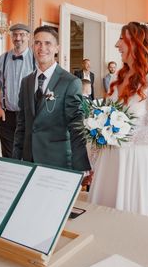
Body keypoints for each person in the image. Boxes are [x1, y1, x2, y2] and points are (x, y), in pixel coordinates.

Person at [89, 22, 148, 222]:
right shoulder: (121, 76)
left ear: (137, 43)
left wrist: (123, 134)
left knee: (136, 220)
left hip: (139, 162)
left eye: (122, 38)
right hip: (112, 161)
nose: (116, 44)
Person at [12, 26, 90, 171]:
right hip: (29, 160)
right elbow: (21, 125)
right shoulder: (26, 82)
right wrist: (15, 159)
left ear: (57, 48)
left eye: (48, 43)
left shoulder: (70, 82)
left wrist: (81, 167)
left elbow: (76, 127)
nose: (42, 48)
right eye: (37, 43)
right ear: (33, 46)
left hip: (57, 160)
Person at [0, 23, 35, 158]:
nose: (18, 38)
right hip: (7, 116)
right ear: (11, 37)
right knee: (9, 155)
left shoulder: (36, 59)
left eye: (22, 34)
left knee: (28, 154)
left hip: (28, 115)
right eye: (15, 34)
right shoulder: (2, 59)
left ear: (28, 37)